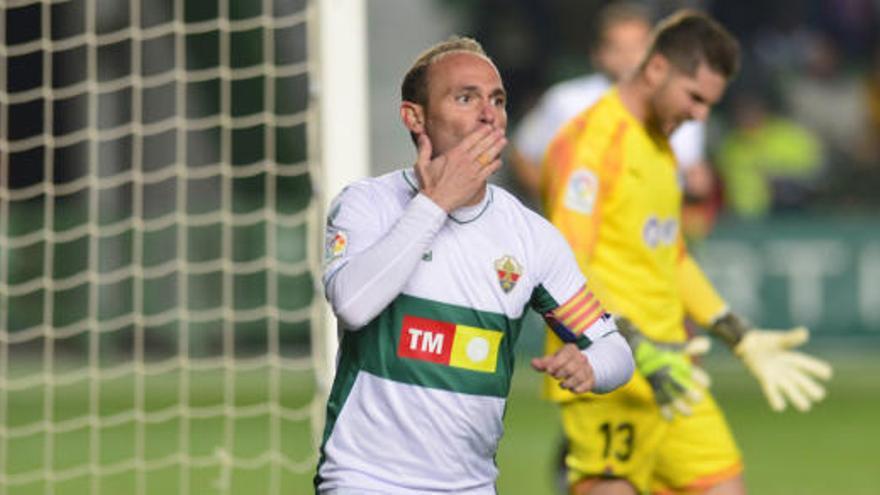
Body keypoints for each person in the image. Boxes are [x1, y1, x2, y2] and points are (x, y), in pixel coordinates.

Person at [313, 36, 634, 495]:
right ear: (415, 117)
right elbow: (353, 305)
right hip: (365, 479)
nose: (489, 113)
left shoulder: (531, 236)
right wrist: (436, 202)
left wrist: (590, 365)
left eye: (497, 100)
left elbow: (613, 349)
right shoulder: (369, 204)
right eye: (466, 98)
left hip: (471, 486)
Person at [540, 11, 833, 495]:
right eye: (694, 98)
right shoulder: (590, 143)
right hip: (605, 366)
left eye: (709, 104)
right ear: (656, 70)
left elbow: (670, 256)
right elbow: (566, 263)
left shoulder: (661, 148)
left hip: (675, 366)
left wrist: (737, 334)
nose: (701, 115)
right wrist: (633, 346)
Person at [509, 2, 708, 205]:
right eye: (618, 48)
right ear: (598, 53)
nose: (629, 58)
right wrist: (555, 199)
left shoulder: (682, 108)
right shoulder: (566, 100)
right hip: (574, 230)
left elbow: (693, 180)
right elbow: (521, 155)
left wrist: (698, 185)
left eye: (638, 47)